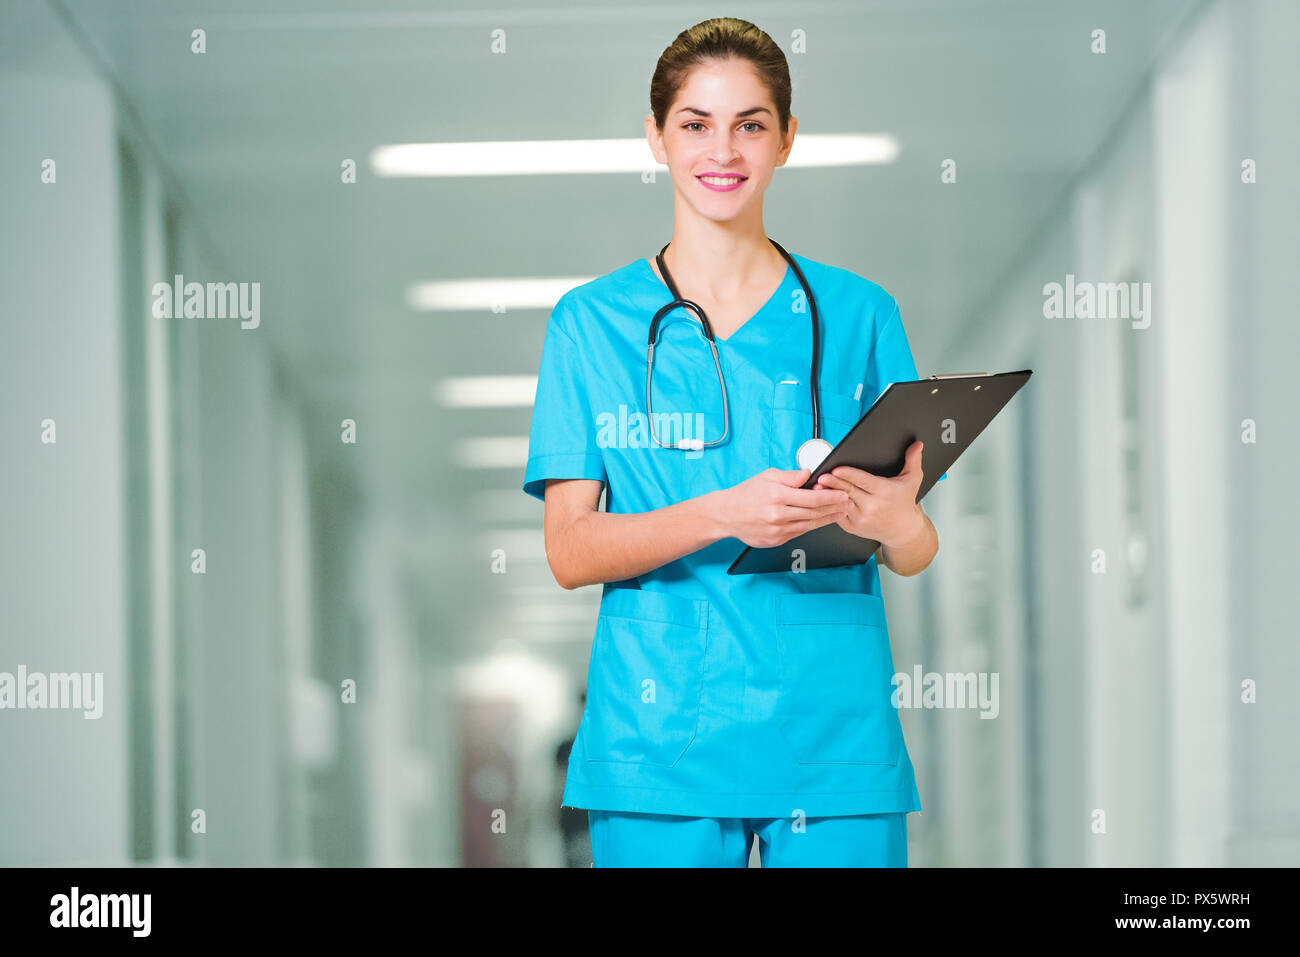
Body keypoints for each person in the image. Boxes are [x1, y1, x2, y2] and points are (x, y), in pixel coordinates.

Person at [522, 17, 942, 867]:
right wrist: (724, 511)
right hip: (658, 739)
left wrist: (897, 523)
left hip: (833, 730)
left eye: (751, 123)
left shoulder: (860, 314)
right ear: (655, 138)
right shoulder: (590, 325)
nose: (724, 150)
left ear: (787, 140)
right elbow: (569, 550)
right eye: (695, 123)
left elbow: (913, 547)